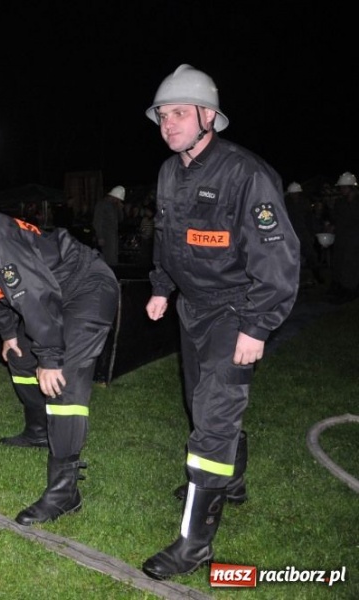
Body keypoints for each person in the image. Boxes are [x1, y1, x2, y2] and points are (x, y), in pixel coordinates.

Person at [141, 64, 300, 580]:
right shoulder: (169, 171)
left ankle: (194, 546)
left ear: (209, 116)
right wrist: (162, 288)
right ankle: (229, 481)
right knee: (198, 403)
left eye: (179, 114)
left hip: (237, 308)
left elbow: (278, 259)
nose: (168, 124)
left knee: (212, 417)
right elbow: (166, 239)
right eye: (163, 116)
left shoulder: (245, 174)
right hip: (192, 309)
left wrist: (258, 325)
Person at [0, 169, 119, 526]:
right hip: (49, 292)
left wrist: (51, 358)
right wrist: (9, 334)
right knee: (19, 358)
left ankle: (65, 492)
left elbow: (36, 296)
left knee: (63, 380)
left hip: (85, 287)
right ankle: (38, 431)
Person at [328, 171, 359, 303]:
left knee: (350, 264)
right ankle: (339, 287)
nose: (341, 189)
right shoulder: (340, 202)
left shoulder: (357, 202)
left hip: (354, 239)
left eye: (343, 187)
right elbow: (336, 218)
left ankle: (351, 291)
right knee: (339, 262)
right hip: (341, 238)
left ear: (351, 187)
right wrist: (331, 225)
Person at [284, 182, 321, 286]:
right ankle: (292, 279)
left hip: (304, 233)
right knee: (291, 257)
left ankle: (316, 276)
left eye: (296, 193)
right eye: (292, 193)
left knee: (311, 256)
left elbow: (310, 219)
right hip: (291, 234)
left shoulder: (305, 202)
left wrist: (312, 233)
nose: (294, 195)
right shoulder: (286, 203)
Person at [91, 186, 125, 267]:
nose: (118, 201)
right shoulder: (101, 204)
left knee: (113, 256)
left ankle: (112, 274)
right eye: (117, 199)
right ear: (113, 196)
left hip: (113, 236)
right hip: (106, 236)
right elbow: (97, 222)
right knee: (108, 258)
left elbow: (120, 220)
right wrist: (100, 237)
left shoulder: (115, 205)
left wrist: (120, 209)